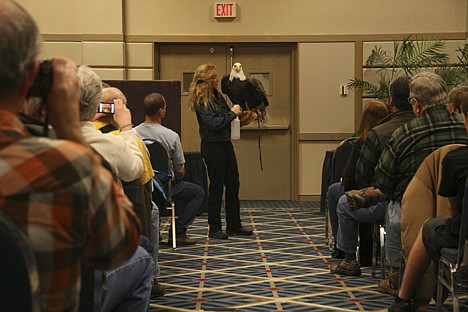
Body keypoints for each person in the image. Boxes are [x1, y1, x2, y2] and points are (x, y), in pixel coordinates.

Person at [0, 1, 146, 311]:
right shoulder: (65, 168)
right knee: (142, 260)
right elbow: (119, 245)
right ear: (29, 78)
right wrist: (69, 130)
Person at [375, 72, 468, 294]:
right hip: (461, 211)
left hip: (417, 213)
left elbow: (385, 184)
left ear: (416, 104)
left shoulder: (404, 135)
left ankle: (399, 274)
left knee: (394, 210)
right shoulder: (462, 126)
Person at [330, 76, 414, 277]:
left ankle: (349, 259)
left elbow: (361, 175)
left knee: (343, 201)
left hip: (388, 200)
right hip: (429, 200)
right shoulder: (427, 127)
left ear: (391, 101)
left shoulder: (379, 133)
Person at [99, 87, 165, 297]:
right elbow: (138, 174)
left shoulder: (75, 132)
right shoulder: (120, 137)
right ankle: (149, 278)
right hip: (130, 203)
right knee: (149, 227)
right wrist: (126, 125)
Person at [187, 64, 253, 239]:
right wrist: (232, 114)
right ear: (207, 80)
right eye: (214, 78)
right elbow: (213, 123)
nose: (217, 80)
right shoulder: (201, 100)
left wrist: (242, 116)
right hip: (212, 146)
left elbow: (224, 118)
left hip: (224, 143)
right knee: (216, 186)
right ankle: (214, 227)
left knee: (233, 183)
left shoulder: (217, 95)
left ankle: (234, 224)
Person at [135, 92, 205, 246]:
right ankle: (178, 233)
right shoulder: (171, 136)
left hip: (141, 188)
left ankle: (153, 230)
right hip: (166, 188)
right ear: (161, 111)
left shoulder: (133, 134)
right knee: (198, 193)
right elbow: (180, 172)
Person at [326, 100, 389, 258]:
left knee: (334, 192)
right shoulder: (393, 138)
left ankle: (342, 248)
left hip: (370, 195)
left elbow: (351, 178)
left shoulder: (362, 142)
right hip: (388, 193)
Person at [77, 65, 144, 185]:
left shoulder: (41, 139)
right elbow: (135, 169)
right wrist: (126, 127)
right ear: (94, 105)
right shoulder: (110, 144)